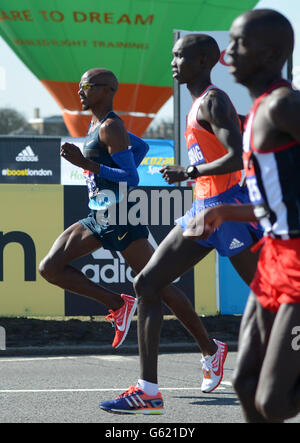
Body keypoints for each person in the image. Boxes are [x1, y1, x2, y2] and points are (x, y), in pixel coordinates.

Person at [100, 35, 263, 415]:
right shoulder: (198, 105)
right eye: (171, 56)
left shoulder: (213, 99)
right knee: (147, 283)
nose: (172, 62)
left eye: (180, 56)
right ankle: (148, 391)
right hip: (203, 210)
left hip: (225, 210)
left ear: (206, 59)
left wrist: (189, 170)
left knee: (275, 298)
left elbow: (237, 156)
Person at [39, 68, 229, 377]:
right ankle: (118, 304)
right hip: (99, 216)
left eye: (86, 86)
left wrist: (86, 164)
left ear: (107, 90)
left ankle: (211, 348)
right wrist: (101, 166)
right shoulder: (96, 124)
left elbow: (130, 177)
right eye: (79, 86)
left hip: (122, 218)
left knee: (160, 287)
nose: (80, 91)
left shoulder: (112, 127)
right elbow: (139, 148)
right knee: (49, 267)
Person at [183, 9, 300, 423]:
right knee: (245, 387)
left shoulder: (286, 105)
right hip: (273, 259)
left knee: (274, 401)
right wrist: (227, 210)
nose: (227, 54)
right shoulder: (255, 114)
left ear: (270, 54)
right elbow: (282, 198)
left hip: (298, 263)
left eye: (238, 44)